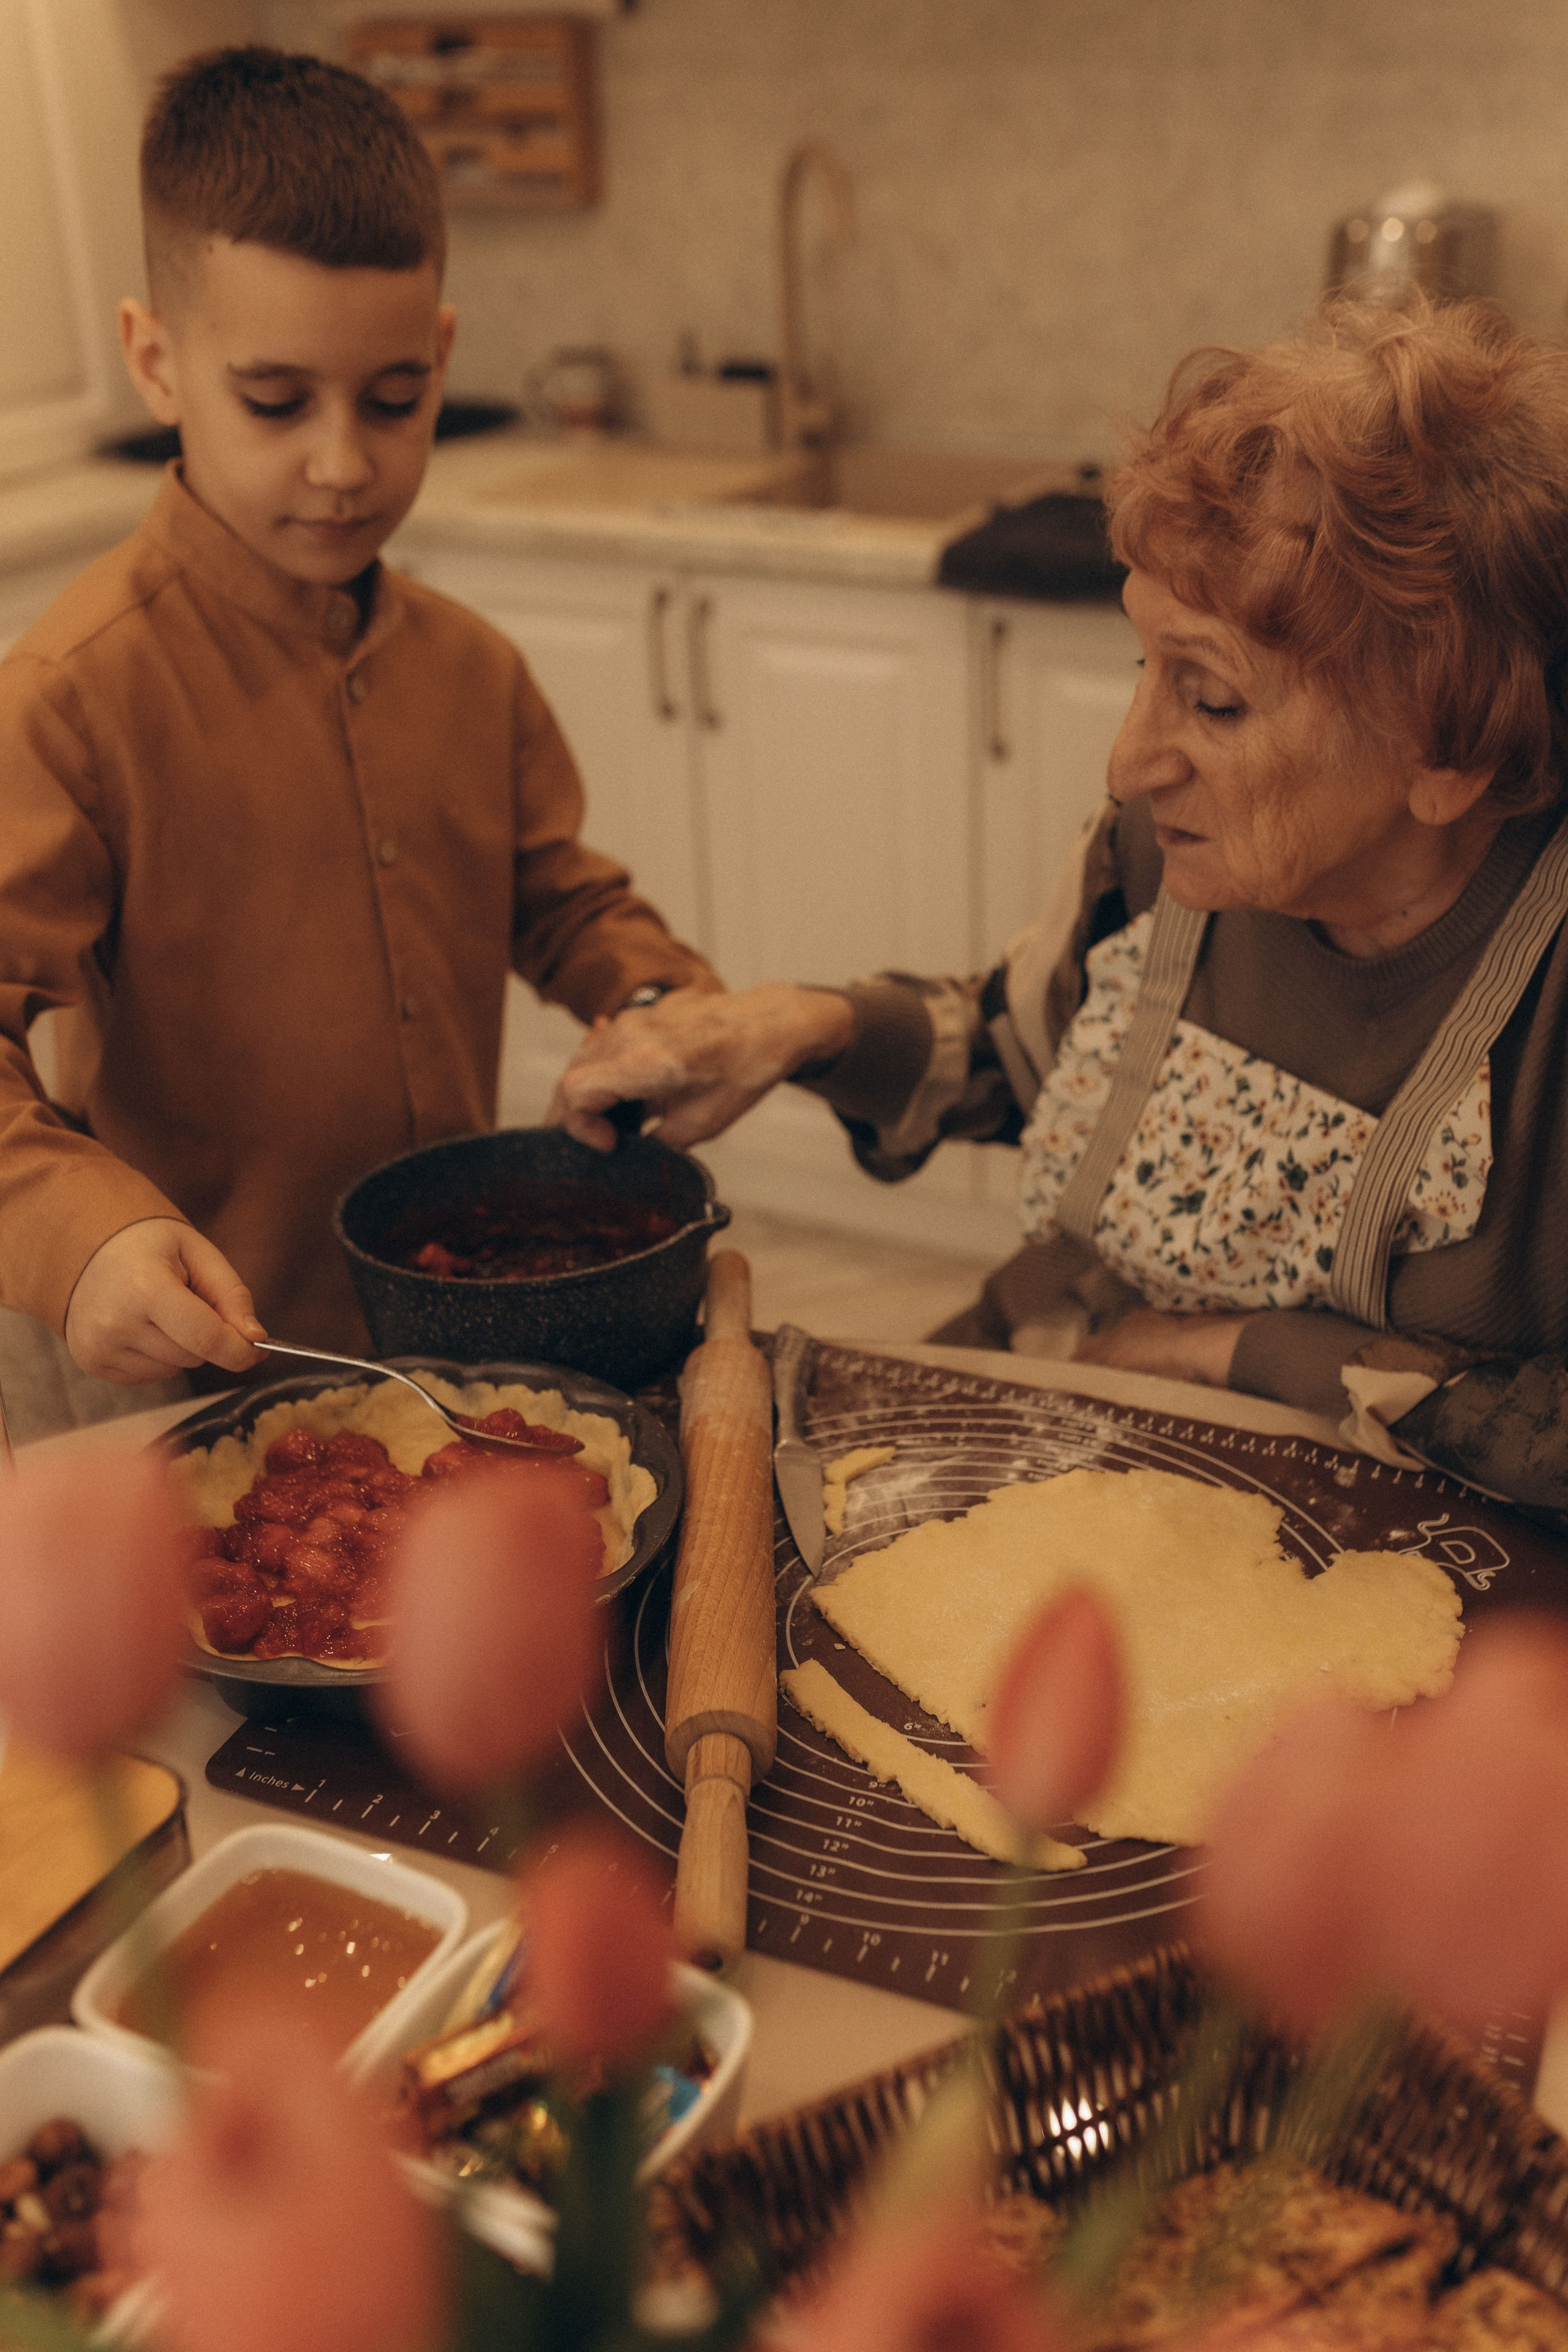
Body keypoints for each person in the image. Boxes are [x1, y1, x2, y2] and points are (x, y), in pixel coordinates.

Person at [552, 299, 1568, 1513]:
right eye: (1147, 665)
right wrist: (799, 1026)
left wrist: (1227, 1347)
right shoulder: (1168, 851)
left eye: (1214, 700)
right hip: (1049, 1412)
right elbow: (1040, 1050)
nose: (1126, 765)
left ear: (1447, 751)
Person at [0, 47, 715, 1434]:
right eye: (276, 403)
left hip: (453, 1328)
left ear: (442, 356)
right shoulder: (71, 697)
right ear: (157, 361)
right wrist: (76, 1234)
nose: (342, 462)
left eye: (392, 400)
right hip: (195, 1360)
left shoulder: (472, 670)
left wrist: (656, 1005)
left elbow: (560, 896)